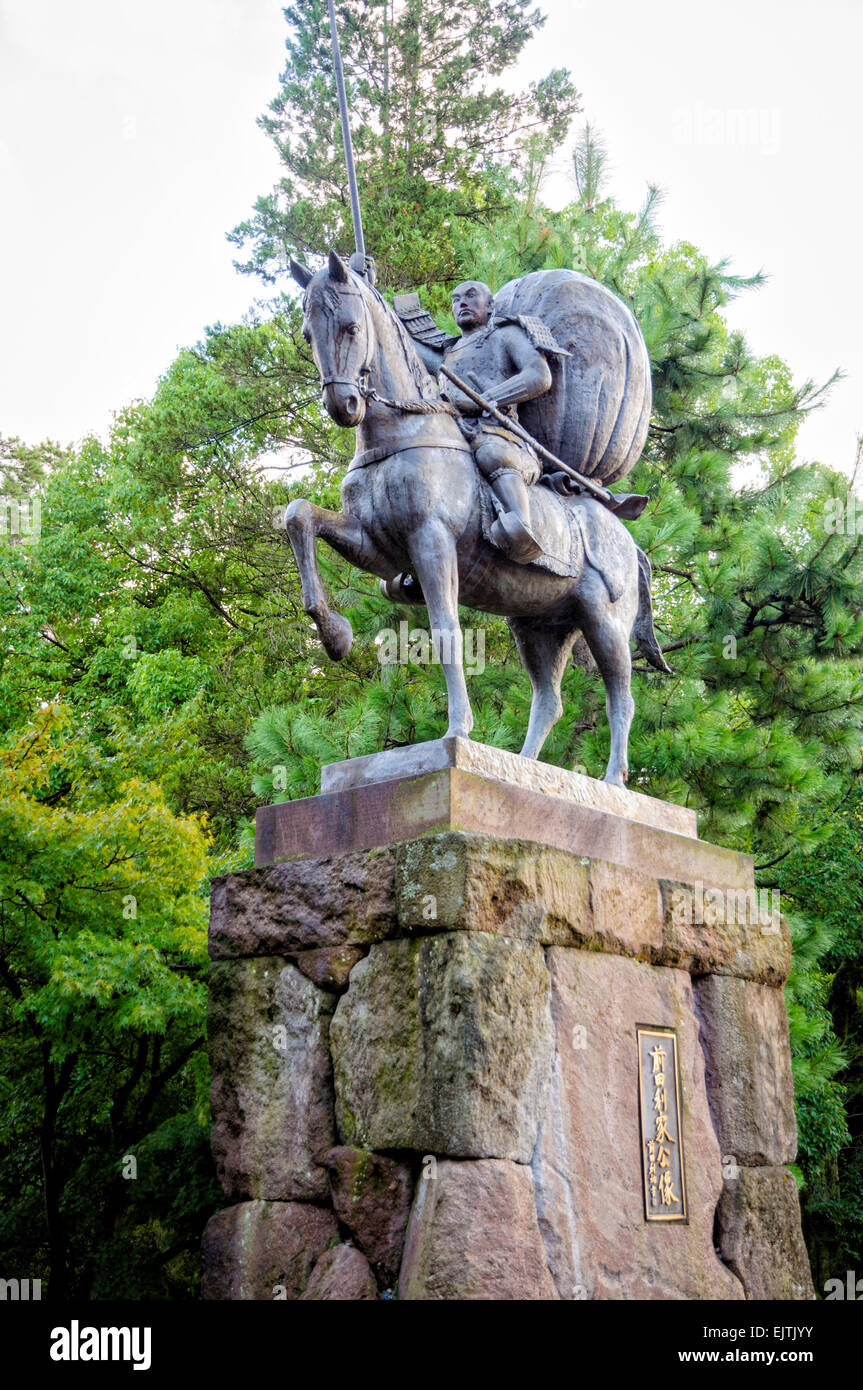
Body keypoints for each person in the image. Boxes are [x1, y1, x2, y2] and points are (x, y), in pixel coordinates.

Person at [407, 280, 555, 563]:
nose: (462, 302)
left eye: (471, 296)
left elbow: (539, 376)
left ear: (490, 306)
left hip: (502, 435)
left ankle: (520, 528)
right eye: (456, 299)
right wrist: (366, 287)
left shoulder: (506, 335)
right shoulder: (449, 352)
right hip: (455, 430)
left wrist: (486, 398)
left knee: (492, 453)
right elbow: (399, 341)